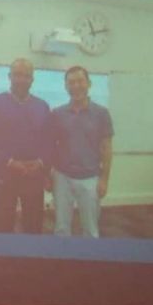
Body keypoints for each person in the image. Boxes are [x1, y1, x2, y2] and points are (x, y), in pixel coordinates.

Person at [0, 58, 51, 234]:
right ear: (9, 77)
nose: (22, 79)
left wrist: (41, 163)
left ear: (32, 79)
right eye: (17, 75)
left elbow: (49, 141)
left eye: (26, 76)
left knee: (34, 226)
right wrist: (10, 162)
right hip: (3, 174)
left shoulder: (42, 106)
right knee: (3, 225)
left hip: (34, 175)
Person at [49, 66, 114, 238]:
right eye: (71, 82)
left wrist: (104, 179)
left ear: (89, 84)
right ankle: (62, 255)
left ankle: (89, 256)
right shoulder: (57, 113)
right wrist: (49, 175)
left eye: (80, 81)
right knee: (61, 228)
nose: (76, 86)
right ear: (66, 86)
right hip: (62, 178)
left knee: (90, 230)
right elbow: (51, 146)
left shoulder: (101, 114)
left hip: (90, 179)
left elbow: (106, 148)